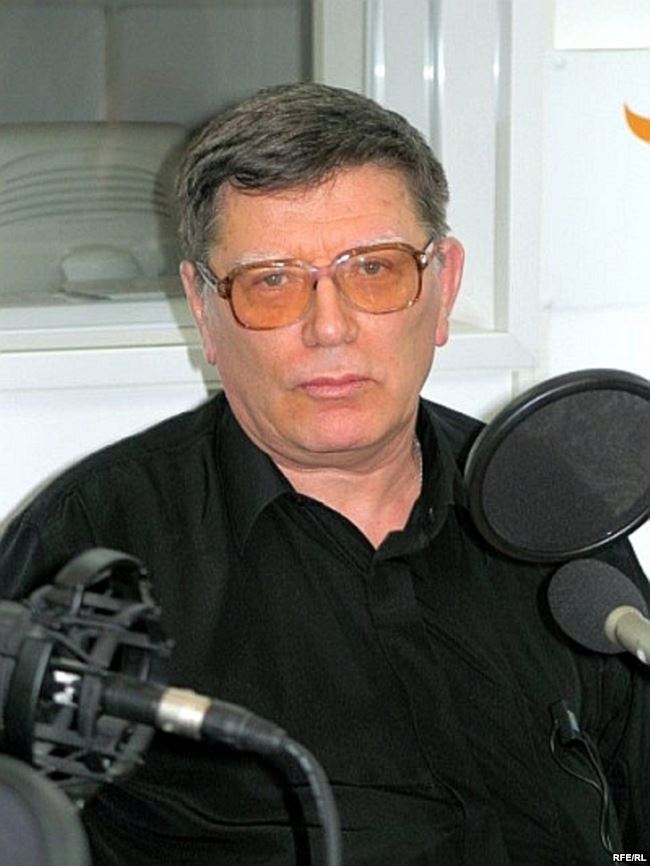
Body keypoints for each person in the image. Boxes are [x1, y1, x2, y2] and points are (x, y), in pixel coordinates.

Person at [0, 82, 648, 865]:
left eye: (374, 269)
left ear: (443, 285)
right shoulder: (88, 548)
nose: (330, 327)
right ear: (203, 309)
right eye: (272, 281)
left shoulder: (544, 504)